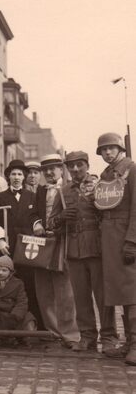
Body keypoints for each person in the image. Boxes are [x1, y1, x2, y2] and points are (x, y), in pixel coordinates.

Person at [49, 150, 119, 352]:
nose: (75, 169)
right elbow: (50, 223)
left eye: (79, 164)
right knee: (81, 297)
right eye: (71, 166)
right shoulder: (63, 192)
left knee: (103, 297)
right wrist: (61, 217)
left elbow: (112, 216)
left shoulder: (100, 186)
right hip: (74, 251)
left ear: (87, 165)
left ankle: (109, 337)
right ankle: (87, 336)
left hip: (97, 249)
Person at [95, 133, 136, 365]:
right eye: (103, 149)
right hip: (109, 238)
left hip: (125, 237)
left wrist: (132, 241)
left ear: (121, 149)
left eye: (111, 148)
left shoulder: (133, 170)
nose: (107, 152)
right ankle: (129, 342)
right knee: (118, 291)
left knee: (132, 292)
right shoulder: (107, 175)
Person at [33, 153, 80, 349]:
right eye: (45, 170)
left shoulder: (69, 188)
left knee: (65, 291)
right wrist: (36, 223)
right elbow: (34, 212)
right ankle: (53, 332)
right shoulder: (41, 190)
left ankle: (70, 334)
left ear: (61, 169)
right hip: (42, 242)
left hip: (63, 241)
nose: (49, 173)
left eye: (53, 168)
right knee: (44, 289)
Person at [0, 159, 44, 329]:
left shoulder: (32, 197)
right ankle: (6, 324)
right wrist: (0, 240)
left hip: (27, 247)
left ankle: (31, 323)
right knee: (8, 284)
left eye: (19, 174)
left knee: (29, 284)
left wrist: (37, 224)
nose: (16, 177)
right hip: (8, 246)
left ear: (24, 177)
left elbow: (36, 217)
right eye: (13, 174)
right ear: (8, 176)